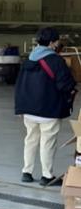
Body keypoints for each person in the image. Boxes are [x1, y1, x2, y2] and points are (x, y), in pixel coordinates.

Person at [15, 26, 77, 186]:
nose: (57, 44)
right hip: (48, 109)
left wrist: (20, 107)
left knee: (31, 140)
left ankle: (26, 172)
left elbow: (19, 85)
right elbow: (66, 85)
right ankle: (46, 175)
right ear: (51, 43)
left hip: (28, 109)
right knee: (47, 142)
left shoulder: (29, 60)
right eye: (56, 41)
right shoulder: (56, 61)